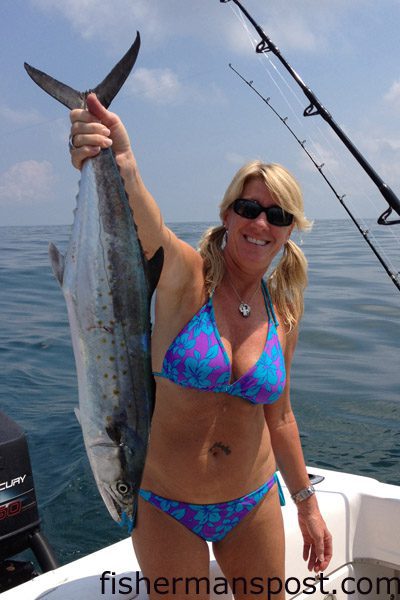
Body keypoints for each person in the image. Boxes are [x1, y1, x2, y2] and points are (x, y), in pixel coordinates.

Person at [69, 93, 332, 600]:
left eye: (276, 216)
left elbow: (280, 419)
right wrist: (120, 156)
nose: (261, 224)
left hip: (252, 501)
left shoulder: (285, 316)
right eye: (249, 208)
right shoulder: (187, 281)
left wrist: (306, 504)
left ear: (290, 229)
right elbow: (147, 227)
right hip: (168, 505)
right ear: (228, 214)